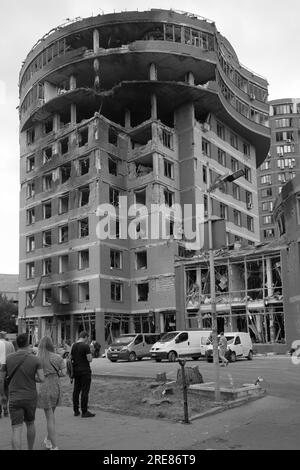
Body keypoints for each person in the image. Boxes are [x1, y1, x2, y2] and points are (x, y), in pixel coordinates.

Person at [4, 333, 44, 450]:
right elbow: (41, 378)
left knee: (16, 429)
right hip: (30, 397)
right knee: (30, 424)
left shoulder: (8, 358)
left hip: (14, 397)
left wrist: (2, 394)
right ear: (28, 343)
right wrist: (32, 377)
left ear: (17, 343)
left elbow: (2, 377)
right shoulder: (35, 359)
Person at [37, 336, 66, 450]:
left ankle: (52, 444)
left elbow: (35, 376)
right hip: (55, 388)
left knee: (49, 417)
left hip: (44, 388)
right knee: (51, 416)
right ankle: (49, 440)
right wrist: (56, 372)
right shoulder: (57, 357)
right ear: (51, 345)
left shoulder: (37, 358)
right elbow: (64, 373)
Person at [71, 331, 95, 418]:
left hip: (76, 371)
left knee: (76, 390)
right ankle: (84, 411)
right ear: (85, 337)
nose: (87, 340)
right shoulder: (85, 346)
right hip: (85, 371)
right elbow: (90, 359)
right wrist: (91, 352)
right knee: (85, 391)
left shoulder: (73, 345)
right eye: (87, 338)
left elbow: (71, 358)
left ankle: (76, 410)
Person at [0, 331, 15, 418]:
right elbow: (13, 356)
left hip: (0, 369)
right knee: (6, 389)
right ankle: (6, 410)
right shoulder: (10, 344)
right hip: (8, 369)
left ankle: (0, 409)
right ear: (5, 336)